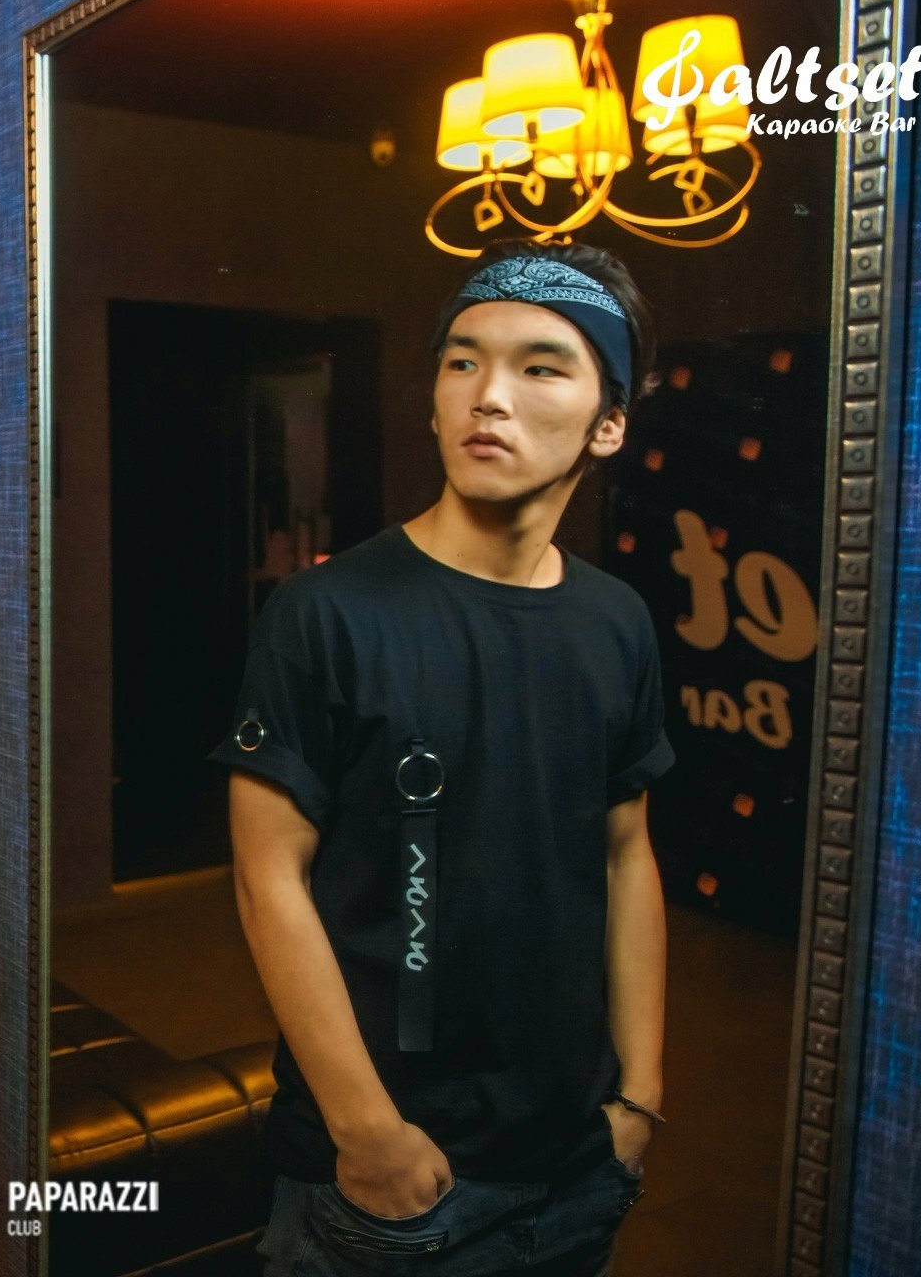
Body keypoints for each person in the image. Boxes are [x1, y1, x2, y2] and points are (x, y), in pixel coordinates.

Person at [213, 241, 674, 1276]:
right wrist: (368, 1132)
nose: (487, 395)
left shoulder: (618, 621)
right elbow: (266, 876)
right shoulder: (326, 612)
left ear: (608, 422)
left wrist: (640, 1095)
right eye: (463, 361)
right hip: (386, 1181)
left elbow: (625, 854)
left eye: (540, 366)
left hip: (578, 1161)